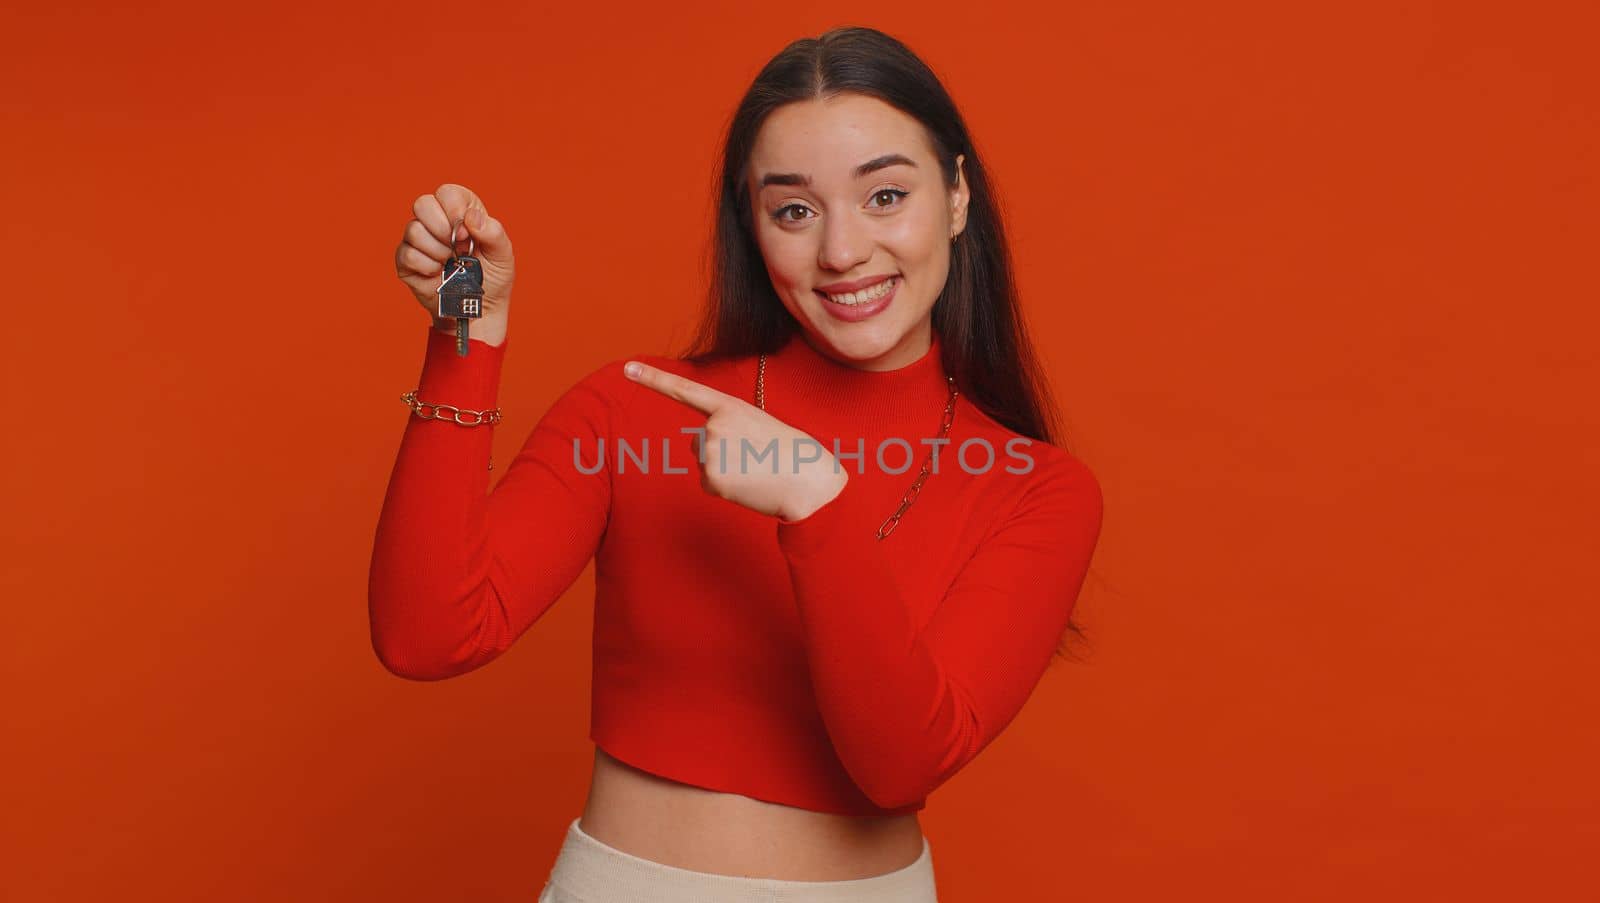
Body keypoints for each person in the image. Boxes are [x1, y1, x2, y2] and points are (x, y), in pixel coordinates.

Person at [371, 25, 1104, 903]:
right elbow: (427, 635)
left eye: (885, 196)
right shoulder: (638, 407)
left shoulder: (1036, 490)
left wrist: (816, 503)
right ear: (751, 225)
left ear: (954, 196)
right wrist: (465, 326)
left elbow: (899, 762)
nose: (841, 251)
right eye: (794, 208)